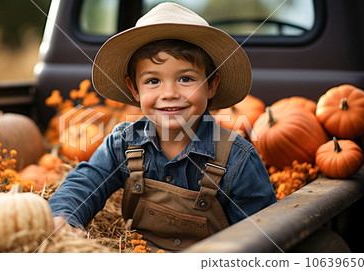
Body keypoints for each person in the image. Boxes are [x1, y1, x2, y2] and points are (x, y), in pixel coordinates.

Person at [48, 2, 276, 251]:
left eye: (186, 79)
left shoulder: (237, 159)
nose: (169, 93)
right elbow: (86, 182)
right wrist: (64, 218)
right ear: (134, 89)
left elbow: (263, 234)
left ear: (211, 85)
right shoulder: (123, 143)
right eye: (153, 80)